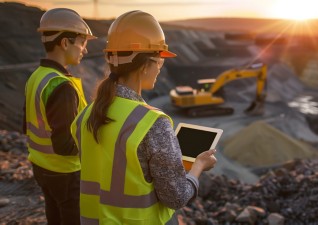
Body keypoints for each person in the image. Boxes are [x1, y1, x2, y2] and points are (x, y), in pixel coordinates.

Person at [70, 10, 217, 225]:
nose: (159, 69)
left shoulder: (86, 115)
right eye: (160, 61)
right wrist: (198, 167)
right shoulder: (152, 123)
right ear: (146, 64)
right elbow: (176, 197)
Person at [23, 8, 96, 225]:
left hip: (42, 167)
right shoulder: (62, 86)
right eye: (82, 43)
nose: (85, 49)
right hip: (65, 172)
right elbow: (64, 145)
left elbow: (27, 125)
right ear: (65, 43)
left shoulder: (37, 77)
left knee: (54, 216)